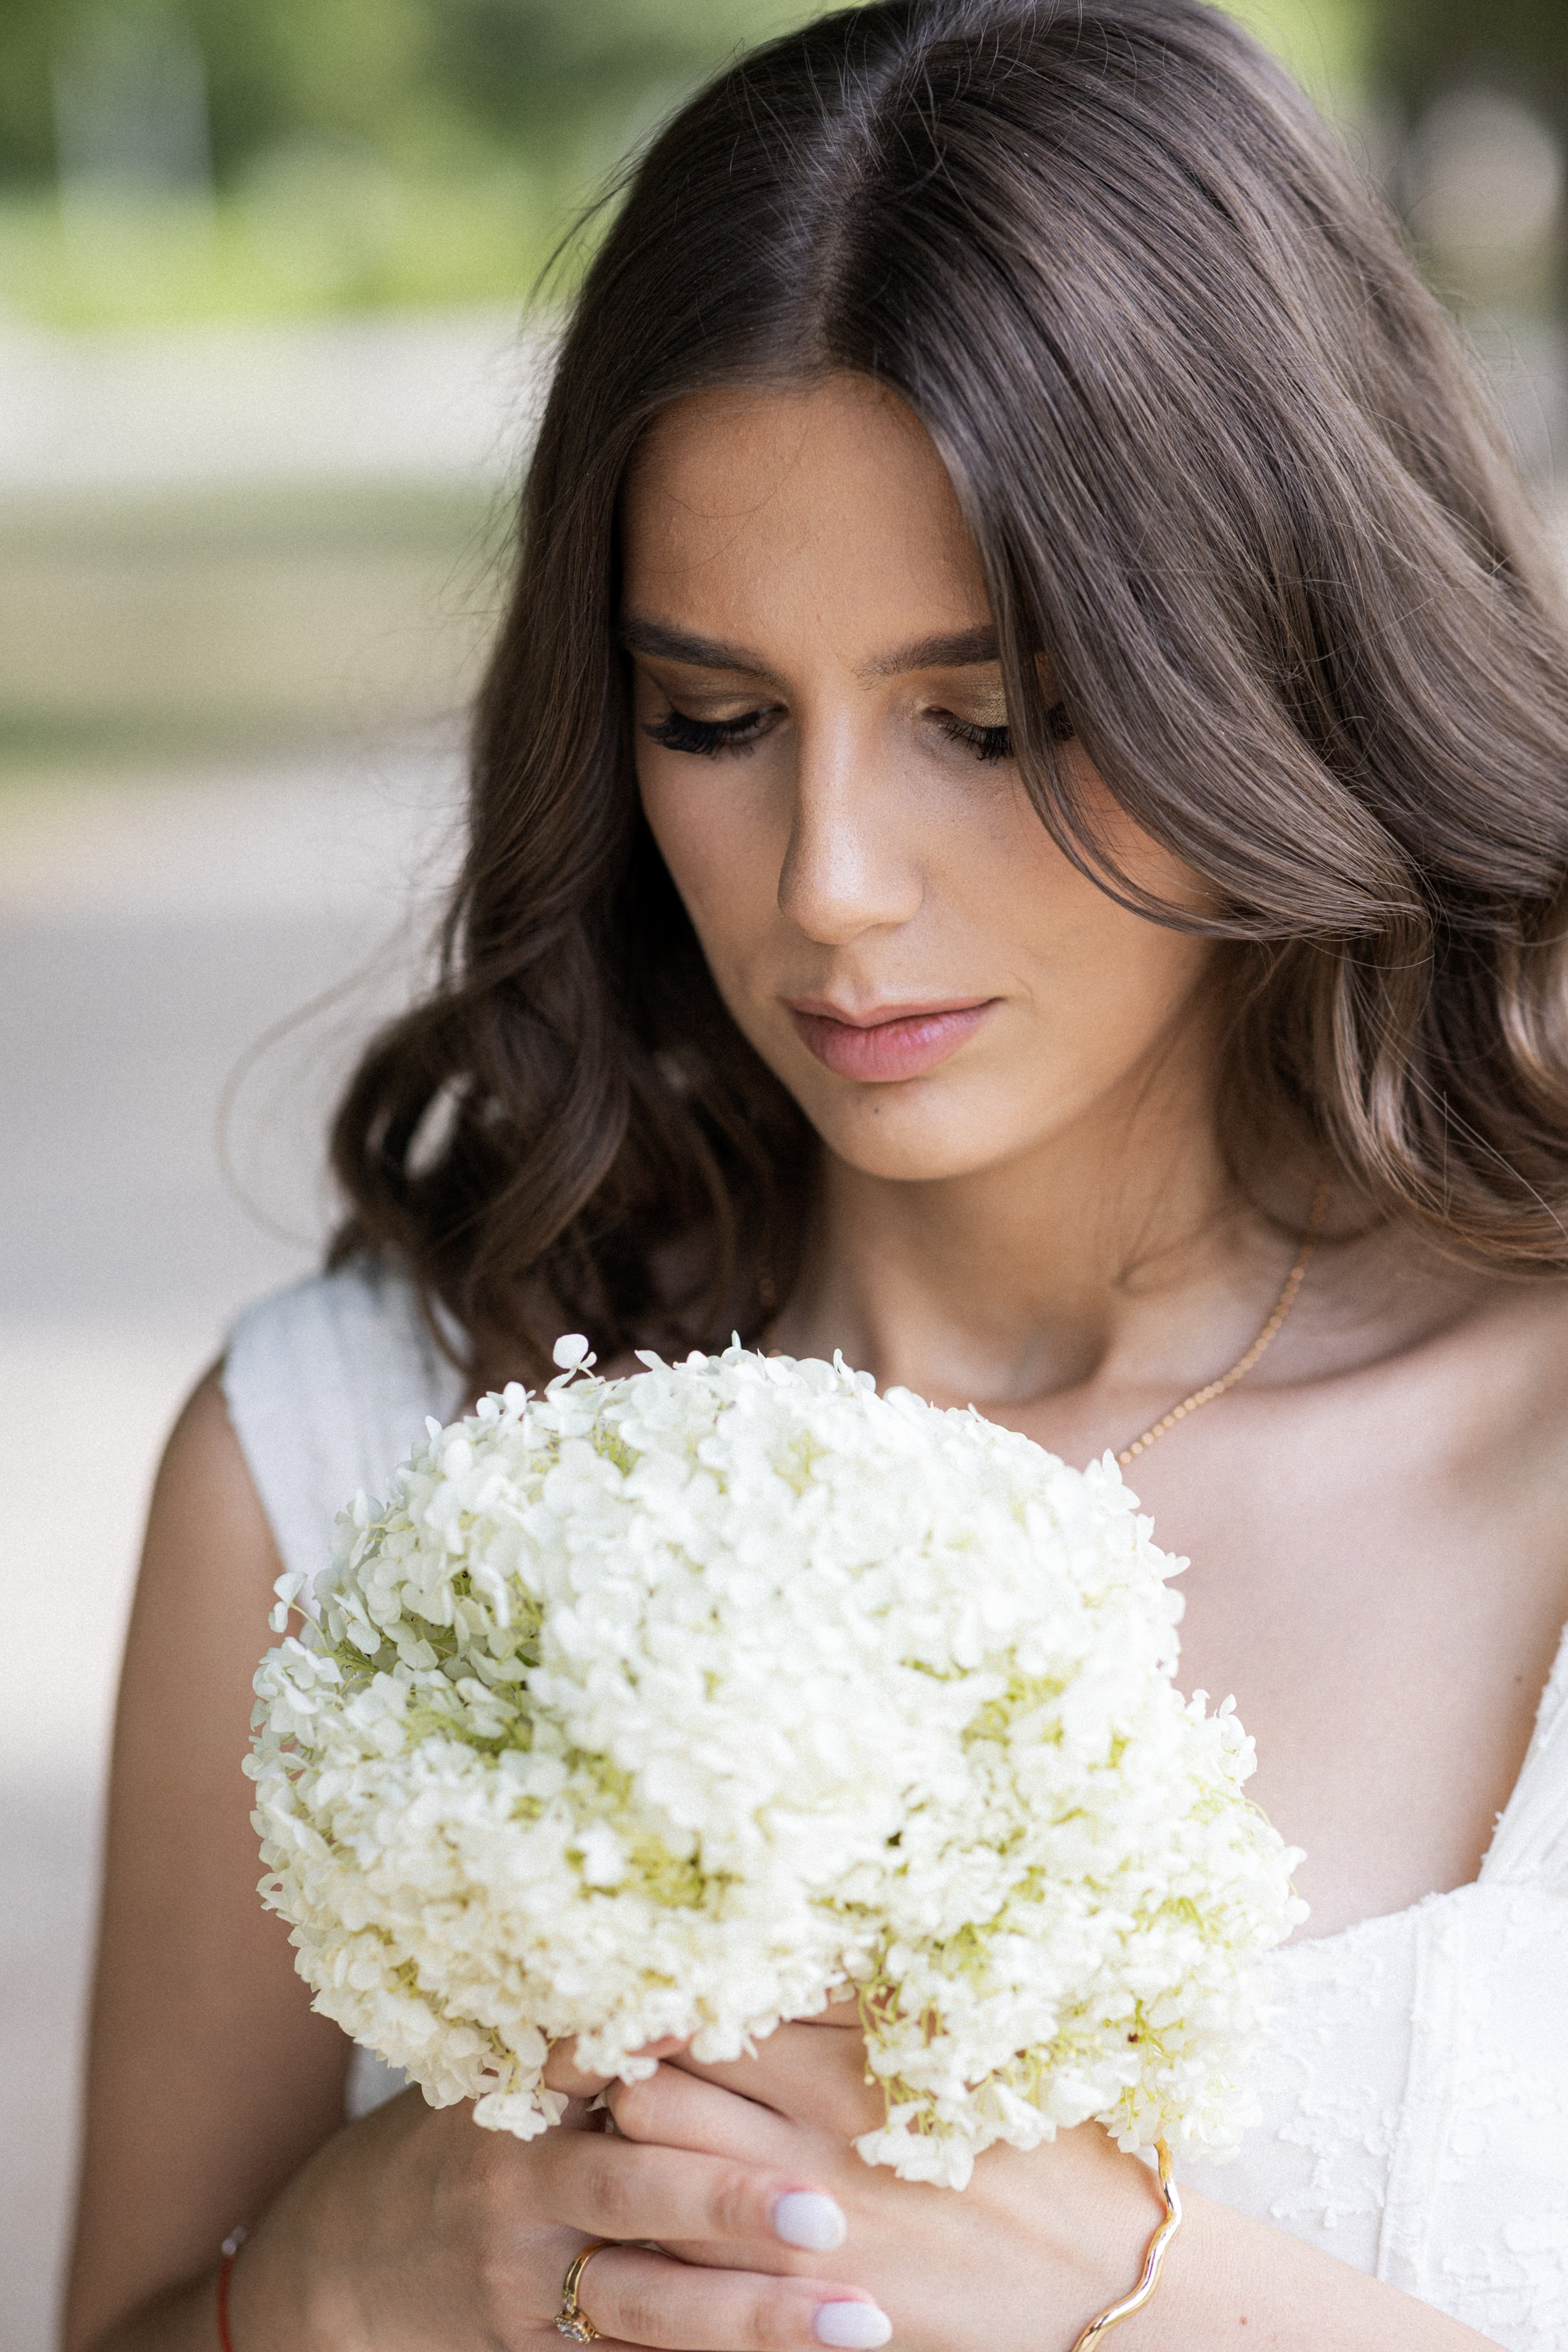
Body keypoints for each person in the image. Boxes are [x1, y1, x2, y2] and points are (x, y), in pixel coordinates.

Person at [63, 2, 1568, 2348]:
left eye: (990, 721)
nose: (834, 880)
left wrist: (1117, 2286)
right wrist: (353, 2267)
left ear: (1281, 661)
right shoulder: (340, 1456)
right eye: (718, 718)